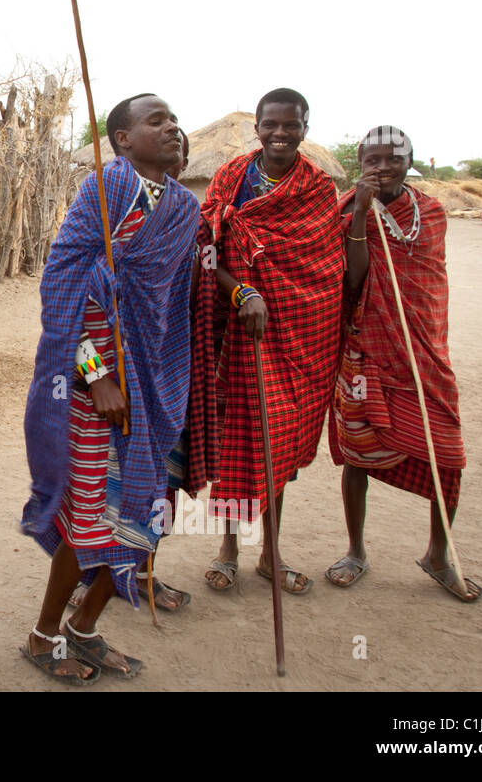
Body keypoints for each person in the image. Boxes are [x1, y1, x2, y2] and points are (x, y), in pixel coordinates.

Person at [22, 94, 199, 684]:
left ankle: (85, 628)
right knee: (91, 510)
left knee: (143, 507)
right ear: (122, 138)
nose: (171, 127)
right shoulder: (108, 190)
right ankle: (44, 636)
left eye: (174, 119)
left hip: (153, 379)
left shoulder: (182, 208)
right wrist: (95, 374)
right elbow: (62, 283)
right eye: (156, 120)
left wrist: (165, 378)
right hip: (92, 381)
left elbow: (172, 304)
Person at [189, 88, 342, 595]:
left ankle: (271, 554)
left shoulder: (318, 187)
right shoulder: (232, 178)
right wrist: (241, 293)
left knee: (281, 442)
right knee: (242, 439)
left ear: (305, 126)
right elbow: (207, 253)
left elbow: (326, 266)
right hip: (240, 329)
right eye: (270, 124)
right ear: (256, 128)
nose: (280, 133)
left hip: (301, 336)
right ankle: (229, 549)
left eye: (290, 124)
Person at [326, 126, 482, 600]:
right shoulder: (347, 209)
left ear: (409, 160)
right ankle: (355, 550)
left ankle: (438, 554)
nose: (383, 166)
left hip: (424, 354)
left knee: (448, 457)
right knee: (357, 455)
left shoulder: (430, 212)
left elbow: (427, 280)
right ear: (359, 162)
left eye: (393, 158)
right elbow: (352, 279)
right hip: (367, 349)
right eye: (372, 159)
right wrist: (358, 215)